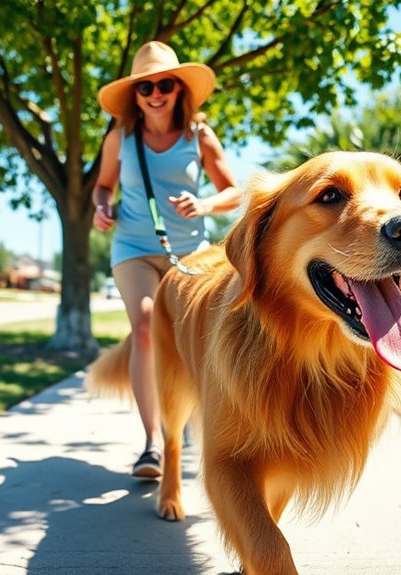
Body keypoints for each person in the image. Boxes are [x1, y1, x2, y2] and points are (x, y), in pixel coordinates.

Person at [93, 41, 243, 479]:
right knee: (143, 326)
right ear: (135, 96)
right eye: (145, 87)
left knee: (192, 338)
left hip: (190, 255)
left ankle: (194, 419)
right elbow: (104, 186)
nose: (155, 93)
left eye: (164, 84)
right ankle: (152, 444)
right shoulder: (120, 138)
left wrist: (204, 205)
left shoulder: (199, 135)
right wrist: (101, 207)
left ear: (178, 88)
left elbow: (233, 192)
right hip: (134, 250)